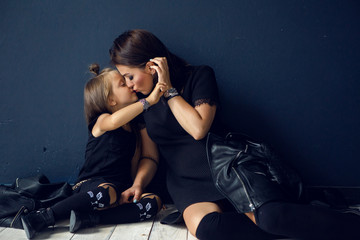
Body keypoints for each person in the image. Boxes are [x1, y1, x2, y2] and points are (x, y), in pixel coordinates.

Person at [109, 29, 360, 240]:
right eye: (124, 79)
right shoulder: (143, 105)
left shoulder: (199, 76)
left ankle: (344, 224)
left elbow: (198, 129)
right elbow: (151, 156)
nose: (129, 85)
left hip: (228, 169)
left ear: (152, 65)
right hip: (187, 183)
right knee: (210, 229)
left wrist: (169, 91)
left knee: (271, 218)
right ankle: (288, 219)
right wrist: (138, 184)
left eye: (130, 76)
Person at [20, 63, 164, 239]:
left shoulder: (135, 128)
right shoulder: (103, 120)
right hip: (92, 185)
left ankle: (92, 218)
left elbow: (137, 161)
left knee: (153, 202)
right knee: (106, 192)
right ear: (111, 100)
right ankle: (44, 216)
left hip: (119, 188)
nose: (129, 84)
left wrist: (135, 186)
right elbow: (114, 121)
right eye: (122, 83)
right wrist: (148, 101)